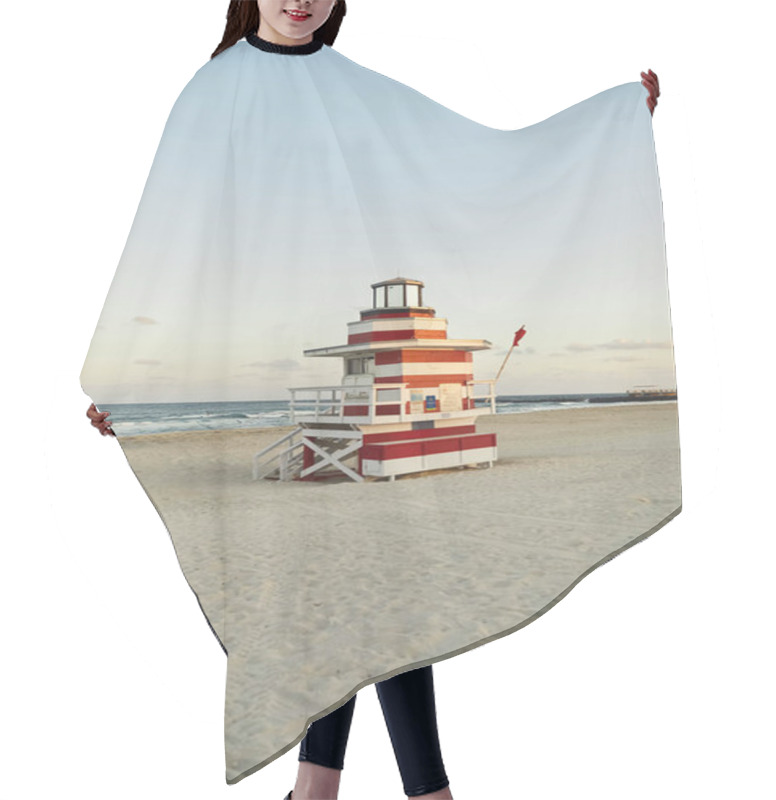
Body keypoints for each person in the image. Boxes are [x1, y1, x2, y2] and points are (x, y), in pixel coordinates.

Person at [86, 2, 661, 798]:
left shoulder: (355, 87)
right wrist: (131, 387)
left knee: (383, 584)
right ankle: (397, 790)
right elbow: (175, 238)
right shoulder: (213, 91)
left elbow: (468, 163)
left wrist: (611, 126)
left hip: (355, 378)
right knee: (343, 586)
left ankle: (332, 789)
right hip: (292, 352)